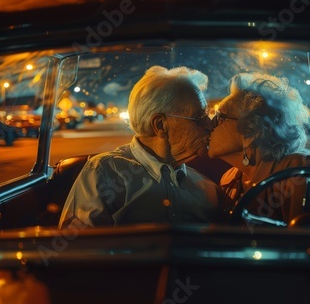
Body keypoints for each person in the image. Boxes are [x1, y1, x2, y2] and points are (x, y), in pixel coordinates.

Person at [59, 65, 219, 228]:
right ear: (160, 125)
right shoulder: (105, 173)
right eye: (200, 117)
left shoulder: (207, 189)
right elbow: (79, 243)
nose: (210, 124)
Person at [207, 72, 310, 226]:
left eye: (220, 118)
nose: (210, 124)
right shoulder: (230, 179)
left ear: (251, 133)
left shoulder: (299, 175)